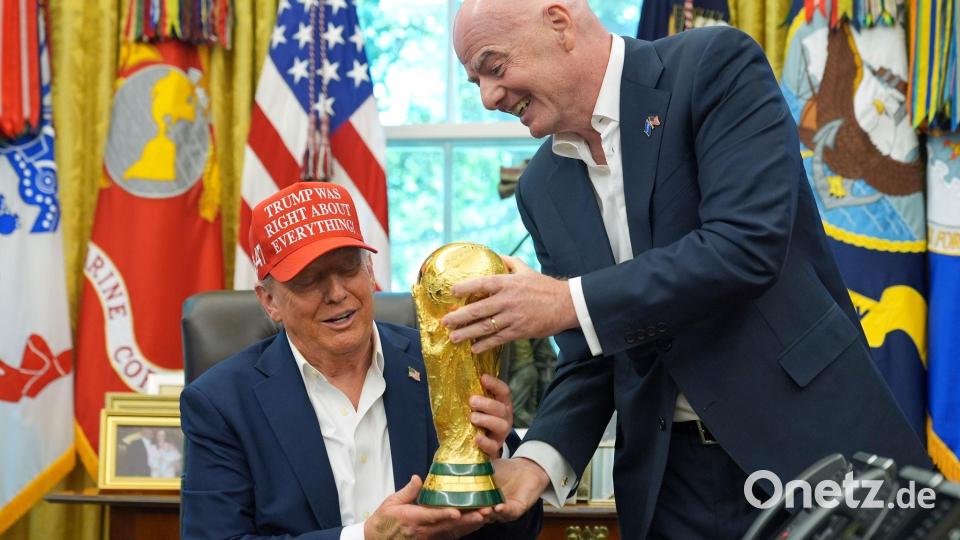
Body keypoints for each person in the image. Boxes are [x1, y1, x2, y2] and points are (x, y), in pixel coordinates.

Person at [445, 1, 931, 538]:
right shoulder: (541, 187)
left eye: (494, 67)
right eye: (475, 82)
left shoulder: (713, 65)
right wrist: (536, 462)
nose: (488, 97)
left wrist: (566, 301)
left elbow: (744, 245)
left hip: (812, 449)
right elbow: (591, 351)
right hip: (668, 488)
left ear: (560, 25)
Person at [180, 182, 542, 539]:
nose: (337, 293)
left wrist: (496, 459)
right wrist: (365, 537)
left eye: (348, 268)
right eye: (309, 280)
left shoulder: (442, 360)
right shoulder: (221, 403)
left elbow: (522, 531)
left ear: (369, 271)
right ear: (269, 301)